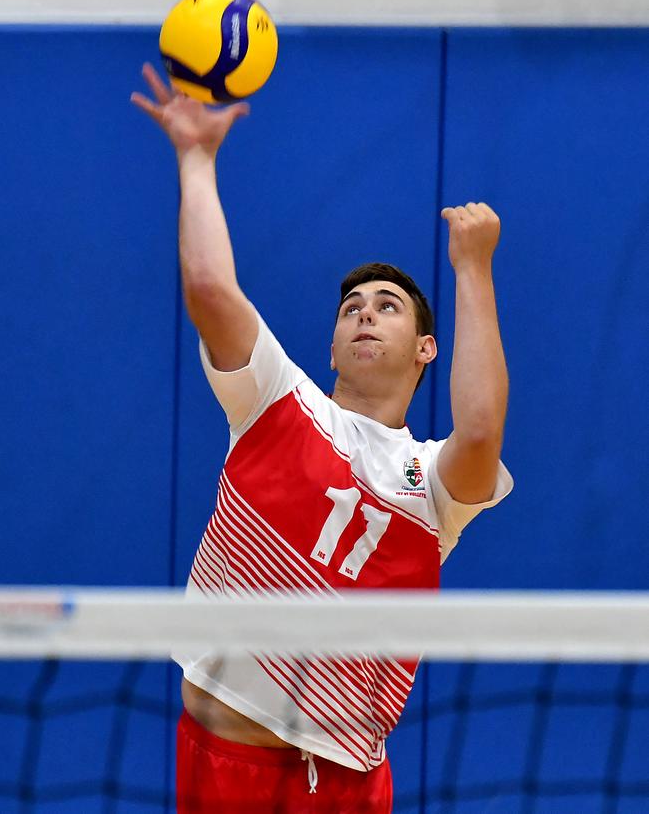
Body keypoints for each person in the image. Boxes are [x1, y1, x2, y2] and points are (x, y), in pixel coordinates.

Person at [132, 63, 514, 814]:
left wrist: (473, 266)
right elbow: (211, 289)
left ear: (425, 348)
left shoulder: (431, 481)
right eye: (352, 310)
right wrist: (196, 158)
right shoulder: (276, 398)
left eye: (388, 307)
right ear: (333, 346)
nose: (365, 315)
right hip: (225, 760)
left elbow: (481, 428)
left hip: (344, 784)